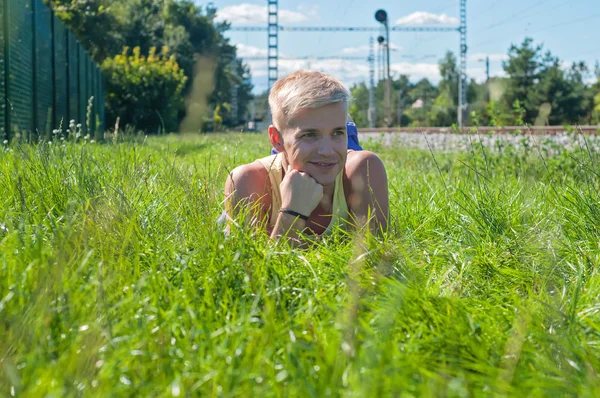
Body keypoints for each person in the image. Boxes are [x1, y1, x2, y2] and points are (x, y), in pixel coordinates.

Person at [224, 70, 389, 245]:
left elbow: (375, 261)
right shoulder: (248, 182)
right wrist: (293, 212)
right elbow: (255, 270)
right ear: (276, 139)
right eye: (309, 135)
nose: (327, 151)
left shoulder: (364, 171)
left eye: (338, 132)